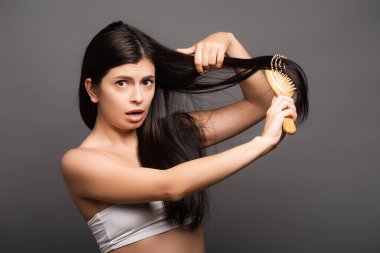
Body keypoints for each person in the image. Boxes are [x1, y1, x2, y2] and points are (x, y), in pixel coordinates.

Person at [60, 20, 308, 253]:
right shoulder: (79, 163)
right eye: (122, 83)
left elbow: (261, 103)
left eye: (147, 82)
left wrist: (229, 43)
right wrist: (261, 143)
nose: (138, 96)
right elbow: (171, 185)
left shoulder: (171, 135)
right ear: (93, 89)